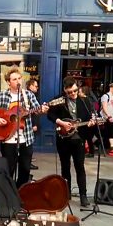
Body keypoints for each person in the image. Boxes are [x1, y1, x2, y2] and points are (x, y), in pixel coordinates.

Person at [0, 66, 48, 188]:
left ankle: (20, 193)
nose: (18, 81)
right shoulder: (2, 96)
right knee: (9, 168)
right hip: (8, 137)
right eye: (14, 79)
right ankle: (9, 194)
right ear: (8, 82)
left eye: (19, 78)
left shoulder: (28, 95)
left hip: (26, 137)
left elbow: (37, 110)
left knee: (25, 168)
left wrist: (42, 109)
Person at [48, 76, 95, 207]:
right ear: (64, 90)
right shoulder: (59, 100)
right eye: (69, 92)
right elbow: (50, 115)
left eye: (74, 91)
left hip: (79, 138)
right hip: (63, 139)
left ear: (77, 88)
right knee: (65, 167)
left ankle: (83, 195)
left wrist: (91, 122)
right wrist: (61, 122)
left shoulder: (85, 101)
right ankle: (66, 193)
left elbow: (91, 115)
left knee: (80, 167)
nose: (73, 94)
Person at [27, 79, 40, 170]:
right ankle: (28, 162)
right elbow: (32, 112)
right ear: (30, 86)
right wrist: (34, 124)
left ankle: (28, 161)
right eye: (35, 86)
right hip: (29, 124)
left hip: (30, 123)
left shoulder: (32, 95)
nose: (37, 88)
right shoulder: (29, 95)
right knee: (29, 144)